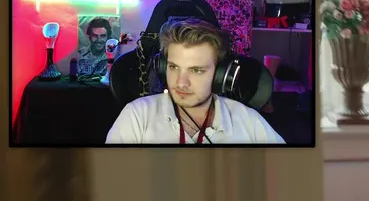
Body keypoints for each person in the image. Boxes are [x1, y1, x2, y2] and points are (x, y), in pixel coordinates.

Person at [105, 17, 284, 145]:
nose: (181, 83)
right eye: (174, 67)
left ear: (220, 75)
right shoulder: (136, 117)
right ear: (162, 68)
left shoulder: (250, 122)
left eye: (196, 70)